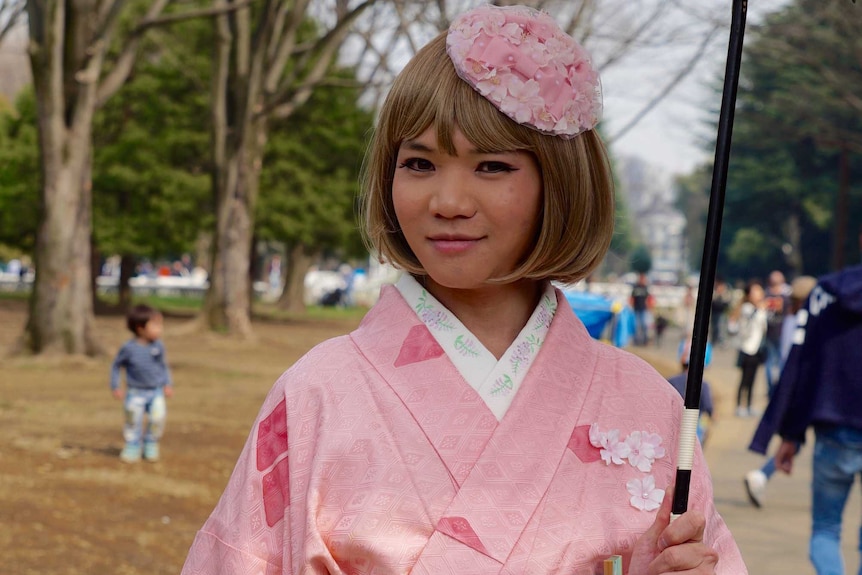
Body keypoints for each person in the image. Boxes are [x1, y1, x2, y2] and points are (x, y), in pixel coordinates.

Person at [181, 5, 745, 574]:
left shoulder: (647, 407)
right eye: (419, 164)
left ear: (561, 182)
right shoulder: (318, 393)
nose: (447, 202)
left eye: (492, 166)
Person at [750, 264, 862, 575]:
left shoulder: (826, 292)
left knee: (826, 530)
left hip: (834, 431)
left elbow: (805, 366)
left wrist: (791, 435)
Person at [743, 275, 817, 507]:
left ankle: (762, 475)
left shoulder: (790, 320)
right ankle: (762, 475)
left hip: (790, 386)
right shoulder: (806, 323)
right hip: (802, 388)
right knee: (798, 439)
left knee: (794, 439)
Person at [110, 304, 174, 462]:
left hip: (156, 391)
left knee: (157, 418)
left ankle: (151, 443)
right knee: (132, 420)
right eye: (156, 325)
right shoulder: (128, 348)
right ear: (140, 328)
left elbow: (163, 366)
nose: (160, 329)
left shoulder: (158, 346)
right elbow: (116, 366)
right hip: (135, 393)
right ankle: (132, 445)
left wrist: (167, 383)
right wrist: (115, 385)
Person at [668, 339, 715, 448]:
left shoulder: (670, 381)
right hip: (694, 429)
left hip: (671, 427)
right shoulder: (703, 385)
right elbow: (708, 408)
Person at [731, 280, 767, 417]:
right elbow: (749, 321)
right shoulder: (747, 308)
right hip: (747, 348)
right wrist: (759, 309)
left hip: (758, 348)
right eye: (756, 291)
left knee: (753, 379)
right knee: (744, 379)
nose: (759, 293)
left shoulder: (761, 309)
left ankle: (750, 405)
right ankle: (740, 406)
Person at [762, 270, 789, 397]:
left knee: (771, 362)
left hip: (770, 331)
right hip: (780, 332)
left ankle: (772, 389)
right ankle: (777, 390)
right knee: (780, 361)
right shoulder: (785, 295)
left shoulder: (765, 294)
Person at [630, 272, 651, 346]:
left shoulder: (645, 288)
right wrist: (631, 307)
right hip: (636, 309)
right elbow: (632, 298)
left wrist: (649, 307)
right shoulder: (635, 287)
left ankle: (644, 340)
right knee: (636, 325)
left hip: (643, 309)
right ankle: (636, 341)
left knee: (644, 325)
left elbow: (648, 298)